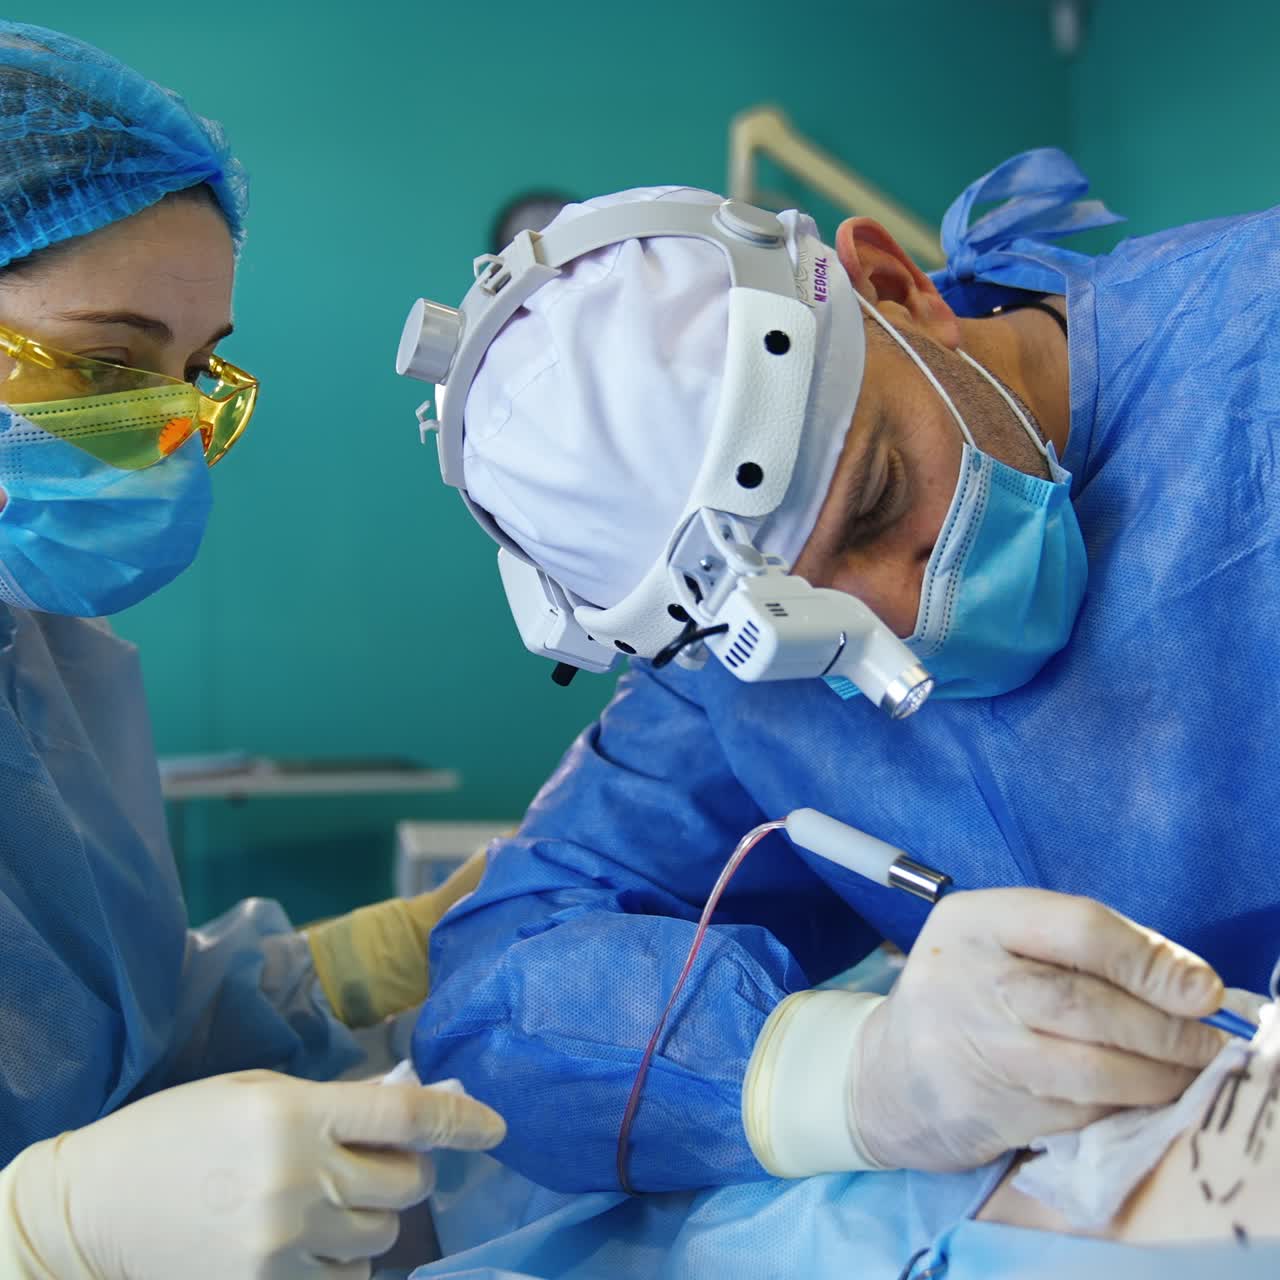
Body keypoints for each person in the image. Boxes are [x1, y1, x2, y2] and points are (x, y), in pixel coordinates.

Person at [399, 154, 1280, 1257]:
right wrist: (849, 1077)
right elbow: (502, 991)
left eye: (876, 497)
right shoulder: (728, 690)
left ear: (897, 291)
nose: (904, 624)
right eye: (799, 631)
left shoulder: (1249, 352)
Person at [0, 21, 502, 1280]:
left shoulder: (40, 660)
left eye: (196, 375)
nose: (166, 432)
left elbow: (113, 1027)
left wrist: (360, 962)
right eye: (108, 364)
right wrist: (37, 1232)